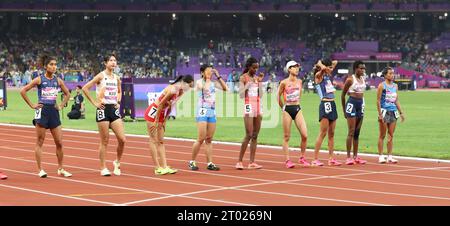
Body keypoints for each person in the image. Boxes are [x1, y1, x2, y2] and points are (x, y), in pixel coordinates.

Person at [20, 54, 72, 178]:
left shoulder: (58, 80)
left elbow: (67, 94)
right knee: (40, 141)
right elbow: (23, 91)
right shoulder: (39, 79)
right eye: (51, 64)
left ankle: (61, 168)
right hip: (42, 112)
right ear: (45, 66)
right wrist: (32, 105)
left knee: (59, 142)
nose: (54, 67)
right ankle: (40, 169)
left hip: (54, 112)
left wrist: (61, 105)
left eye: (55, 65)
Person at [82, 53, 127, 176]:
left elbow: (119, 91)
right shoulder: (100, 76)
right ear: (106, 63)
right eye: (111, 61)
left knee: (122, 139)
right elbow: (85, 88)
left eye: (115, 61)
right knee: (104, 141)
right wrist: (94, 103)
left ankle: (117, 162)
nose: (113, 63)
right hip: (102, 109)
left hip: (113, 109)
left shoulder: (117, 78)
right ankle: (103, 168)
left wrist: (118, 101)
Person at [144, 75, 194, 175]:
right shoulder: (172, 89)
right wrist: (156, 121)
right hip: (154, 112)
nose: (190, 89)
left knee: (161, 141)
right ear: (184, 83)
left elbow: (171, 106)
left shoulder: (180, 92)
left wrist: (165, 120)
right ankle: (157, 167)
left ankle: (164, 166)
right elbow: (161, 104)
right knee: (153, 140)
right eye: (189, 86)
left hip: (162, 113)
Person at [189, 65, 228, 171]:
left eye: (211, 71)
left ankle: (210, 163)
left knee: (209, 139)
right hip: (202, 111)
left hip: (212, 111)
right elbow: (204, 88)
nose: (210, 73)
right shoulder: (199, 82)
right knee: (201, 138)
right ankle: (192, 161)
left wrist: (218, 76)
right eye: (208, 71)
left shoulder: (214, 83)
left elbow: (225, 89)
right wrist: (207, 78)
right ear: (202, 72)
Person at [277, 61, 309, 168]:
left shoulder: (300, 81)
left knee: (305, 135)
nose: (297, 69)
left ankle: (302, 157)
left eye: (298, 67)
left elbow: (300, 95)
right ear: (289, 69)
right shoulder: (284, 82)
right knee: (286, 136)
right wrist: (283, 108)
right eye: (295, 67)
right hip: (287, 109)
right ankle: (287, 160)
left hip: (297, 108)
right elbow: (278, 96)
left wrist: (297, 103)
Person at [311, 59, 342, 166]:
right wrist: (320, 64)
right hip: (325, 104)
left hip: (332, 104)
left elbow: (335, 62)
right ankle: (315, 158)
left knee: (332, 133)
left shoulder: (327, 76)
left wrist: (327, 66)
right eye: (328, 68)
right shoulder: (318, 76)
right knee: (323, 133)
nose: (331, 69)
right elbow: (324, 68)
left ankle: (331, 158)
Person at [236, 57, 264, 170]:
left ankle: (252, 162)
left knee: (255, 135)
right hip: (248, 105)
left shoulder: (257, 78)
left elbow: (261, 95)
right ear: (248, 67)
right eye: (254, 68)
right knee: (248, 134)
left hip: (257, 105)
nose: (256, 70)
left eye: (257, 68)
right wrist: (248, 84)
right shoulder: (243, 77)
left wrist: (260, 83)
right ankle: (239, 161)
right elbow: (241, 95)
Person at [376, 67, 405, 164]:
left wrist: (401, 113)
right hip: (384, 111)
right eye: (390, 73)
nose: (392, 75)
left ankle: (390, 156)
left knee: (391, 135)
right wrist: (380, 114)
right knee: (382, 135)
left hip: (393, 112)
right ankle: (380, 156)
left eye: (393, 73)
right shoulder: (381, 86)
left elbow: (396, 100)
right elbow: (378, 100)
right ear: (385, 75)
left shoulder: (395, 86)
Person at [341, 60, 367, 165]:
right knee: (351, 131)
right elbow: (343, 95)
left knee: (357, 133)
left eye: (364, 68)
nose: (363, 70)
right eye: (361, 68)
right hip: (351, 104)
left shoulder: (363, 79)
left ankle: (355, 156)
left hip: (360, 105)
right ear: (356, 68)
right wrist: (344, 110)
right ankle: (348, 157)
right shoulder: (350, 80)